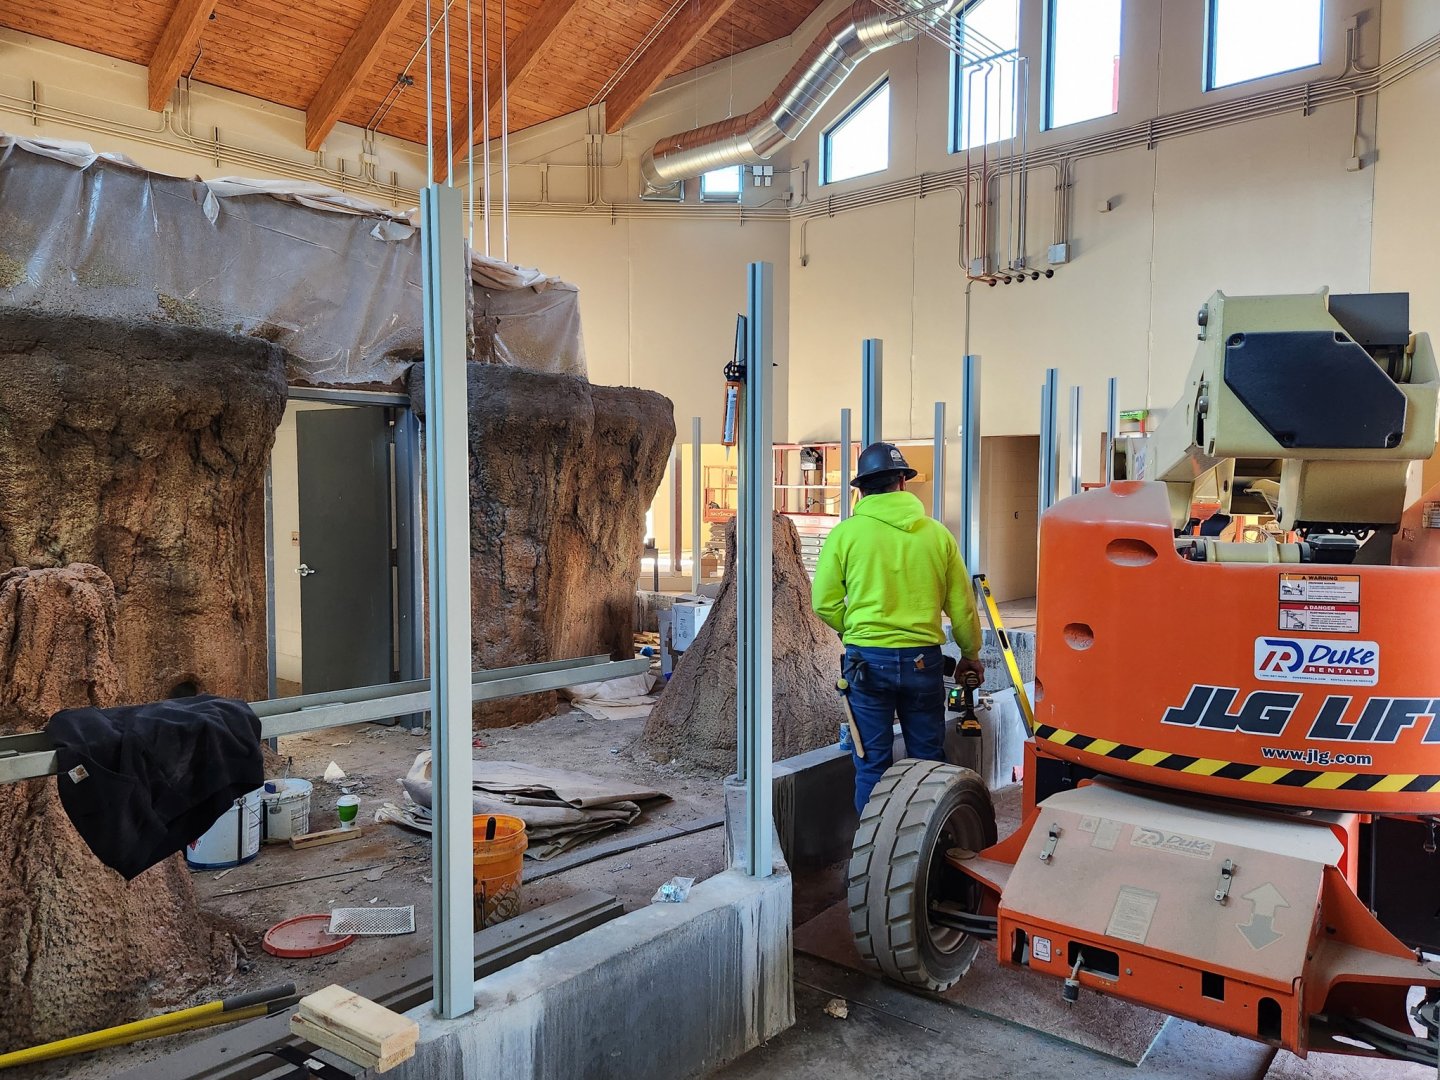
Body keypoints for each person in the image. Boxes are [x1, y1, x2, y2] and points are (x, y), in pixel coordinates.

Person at [811, 442, 984, 812]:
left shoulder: (846, 534)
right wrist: (971, 654)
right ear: (902, 484)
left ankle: (870, 863)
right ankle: (926, 852)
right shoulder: (938, 536)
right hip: (924, 662)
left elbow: (823, 603)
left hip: (867, 664)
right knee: (927, 763)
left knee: (872, 763)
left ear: (861, 490)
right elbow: (963, 609)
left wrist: (855, 629)